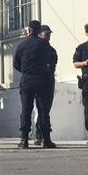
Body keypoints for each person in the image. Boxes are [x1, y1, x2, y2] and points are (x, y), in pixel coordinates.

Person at [13, 20, 56, 149]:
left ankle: (24, 139)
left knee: (26, 109)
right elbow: (52, 60)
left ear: (29, 30)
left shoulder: (21, 45)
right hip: (42, 79)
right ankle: (46, 140)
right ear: (38, 31)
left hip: (27, 79)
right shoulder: (45, 45)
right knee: (43, 110)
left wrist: (26, 70)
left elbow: (16, 64)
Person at [34, 25, 57, 146]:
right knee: (41, 109)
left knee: (46, 109)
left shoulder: (52, 51)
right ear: (40, 34)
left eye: (49, 33)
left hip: (49, 82)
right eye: (45, 33)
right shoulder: (36, 48)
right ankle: (39, 133)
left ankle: (43, 134)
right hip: (39, 82)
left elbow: (53, 67)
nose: (48, 36)